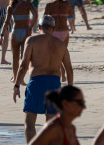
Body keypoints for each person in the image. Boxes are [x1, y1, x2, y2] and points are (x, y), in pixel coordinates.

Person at [13, 15, 73, 143]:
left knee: (29, 123)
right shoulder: (61, 44)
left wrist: (17, 85)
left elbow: (23, 65)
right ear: (53, 28)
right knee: (51, 123)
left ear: (39, 27)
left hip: (37, 82)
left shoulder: (32, 40)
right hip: (54, 84)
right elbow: (69, 69)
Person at [5, 0, 38, 81]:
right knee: (25, 58)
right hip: (25, 32)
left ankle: (15, 78)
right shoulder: (28, 4)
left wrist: (2, 35)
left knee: (15, 58)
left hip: (15, 32)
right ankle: (21, 79)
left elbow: (7, 22)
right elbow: (35, 16)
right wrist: (30, 28)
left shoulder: (11, 6)